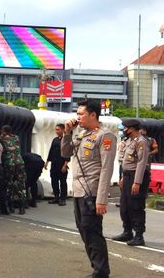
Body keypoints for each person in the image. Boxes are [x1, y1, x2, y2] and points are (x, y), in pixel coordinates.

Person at [61, 99, 117, 278]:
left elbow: (107, 169)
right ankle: (98, 268)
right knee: (84, 229)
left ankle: (101, 272)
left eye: (81, 114)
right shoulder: (81, 134)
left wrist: (101, 199)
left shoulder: (105, 136)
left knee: (92, 231)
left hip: (91, 192)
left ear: (93, 114)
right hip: (78, 191)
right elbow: (65, 153)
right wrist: (67, 133)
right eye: (77, 114)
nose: (77, 117)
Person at [112, 119, 150, 247]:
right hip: (127, 176)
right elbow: (125, 162)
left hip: (137, 177)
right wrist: (123, 177)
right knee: (125, 206)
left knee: (136, 206)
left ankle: (139, 236)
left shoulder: (141, 142)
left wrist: (137, 182)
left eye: (125, 128)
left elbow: (141, 163)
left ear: (132, 129)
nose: (124, 130)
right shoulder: (128, 141)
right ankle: (127, 232)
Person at [0, 125, 26, 215]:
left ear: (3, 131)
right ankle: (22, 208)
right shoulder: (17, 137)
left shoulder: (2, 139)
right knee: (20, 185)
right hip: (20, 163)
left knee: (9, 184)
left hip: (9, 163)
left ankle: (10, 207)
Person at [45, 123, 71, 206]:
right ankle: (56, 197)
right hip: (54, 163)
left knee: (63, 182)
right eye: (56, 129)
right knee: (54, 180)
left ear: (63, 130)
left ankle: (63, 199)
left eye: (58, 129)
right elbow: (51, 151)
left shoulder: (66, 140)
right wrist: (47, 162)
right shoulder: (55, 140)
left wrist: (65, 165)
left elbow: (68, 153)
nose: (56, 131)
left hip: (62, 164)